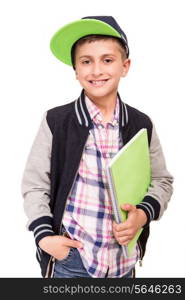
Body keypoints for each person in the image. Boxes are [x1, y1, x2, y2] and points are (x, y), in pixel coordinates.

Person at [21, 16, 174, 278]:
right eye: (86, 61)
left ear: (125, 66)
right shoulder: (56, 121)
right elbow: (35, 185)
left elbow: (162, 181)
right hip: (72, 261)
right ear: (75, 70)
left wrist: (141, 216)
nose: (96, 71)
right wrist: (45, 237)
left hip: (123, 263)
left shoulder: (141, 124)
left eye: (107, 60)